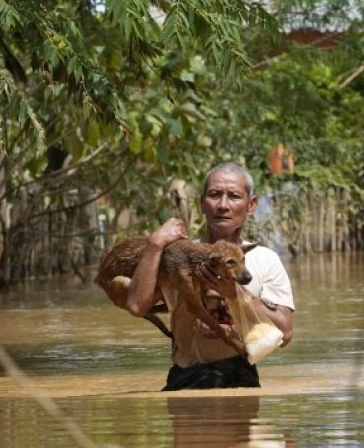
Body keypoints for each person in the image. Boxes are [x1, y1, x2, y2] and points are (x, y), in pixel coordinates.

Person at [124, 162, 295, 390]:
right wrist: (155, 246)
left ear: (251, 205)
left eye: (234, 196)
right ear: (202, 203)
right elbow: (136, 306)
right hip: (188, 377)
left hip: (242, 374)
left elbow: (285, 334)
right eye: (215, 195)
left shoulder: (266, 260)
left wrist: (237, 294)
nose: (223, 205)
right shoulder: (179, 256)